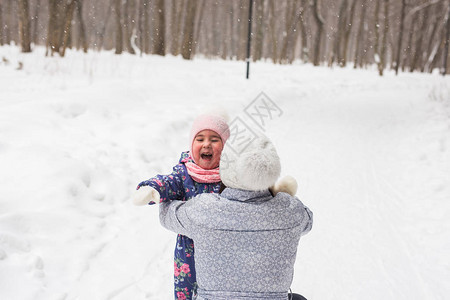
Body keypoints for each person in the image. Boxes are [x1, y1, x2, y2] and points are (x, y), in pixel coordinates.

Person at [159, 133, 313, 300]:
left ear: (226, 168)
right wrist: (281, 197)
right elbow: (308, 221)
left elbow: (166, 213)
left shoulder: (203, 210)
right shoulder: (290, 210)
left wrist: (177, 183)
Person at [132, 111, 230, 300]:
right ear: (192, 145)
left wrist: (272, 192)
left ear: (225, 146)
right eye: (199, 139)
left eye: (214, 139)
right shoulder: (184, 174)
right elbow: (167, 182)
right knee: (187, 294)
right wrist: (151, 188)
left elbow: (252, 191)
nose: (206, 144)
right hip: (188, 252)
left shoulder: (233, 176)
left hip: (224, 250)